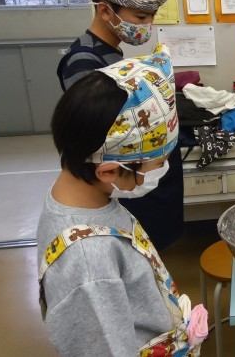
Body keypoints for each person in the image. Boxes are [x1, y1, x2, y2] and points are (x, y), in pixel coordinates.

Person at [38, 46, 205, 355]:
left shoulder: (84, 195)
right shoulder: (89, 265)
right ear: (108, 171)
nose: (161, 171)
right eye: (158, 164)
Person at [56, 0, 183, 249]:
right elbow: (101, 133)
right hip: (121, 175)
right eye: (140, 18)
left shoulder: (111, 53)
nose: (148, 25)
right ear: (105, 10)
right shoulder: (83, 62)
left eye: (151, 17)